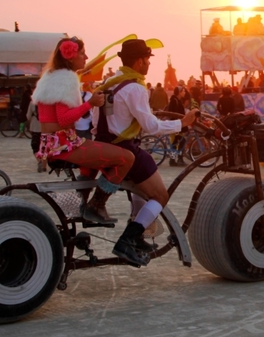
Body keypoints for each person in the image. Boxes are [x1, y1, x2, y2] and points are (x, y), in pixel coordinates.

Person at [91, 38, 199, 267]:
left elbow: (94, 121)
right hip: (124, 148)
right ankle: (128, 239)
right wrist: (183, 123)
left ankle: (138, 237)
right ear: (140, 61)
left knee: (141, 188)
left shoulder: (109, 82)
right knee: (160, 195)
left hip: (103, 145)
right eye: (148, 60)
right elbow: (151, 126)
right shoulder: (135, 88)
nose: (149, 64)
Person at [32, 36, 135, 225]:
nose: (86, 57)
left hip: (51, 143)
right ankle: (95, 206)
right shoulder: (67, 78)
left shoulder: (49, 76)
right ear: (70, 56)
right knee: (127, 158)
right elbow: (64, 119)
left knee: (92, 164)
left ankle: (80, 205)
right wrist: (91, 103)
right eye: (82, 53)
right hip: (64, 144)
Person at [25, 101, 46, 172]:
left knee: (35, 145)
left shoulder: (32, 103)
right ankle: (44, 165)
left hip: (35, 127)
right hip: (45, 127)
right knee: (45, 146)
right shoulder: (46, 102)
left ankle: (39, 160)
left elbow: (28, 116)